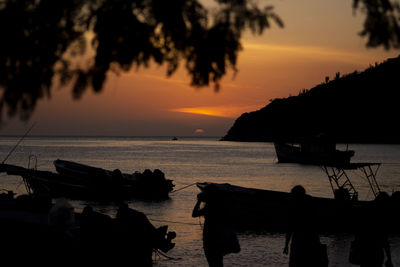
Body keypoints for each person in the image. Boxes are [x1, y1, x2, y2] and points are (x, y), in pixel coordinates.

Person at [192, 184, 240, 267]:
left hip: (210, 239)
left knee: (213, 263)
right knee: (218, 262)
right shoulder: (220, 206)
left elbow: (194, 214)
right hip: (219, 238)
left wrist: (199, 201)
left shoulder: (209, 208)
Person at [283, 185, 327, 267]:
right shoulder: (311, 204)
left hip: (298, 243)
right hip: (313, 241)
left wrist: (286, 245)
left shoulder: (294, 207)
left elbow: (290, 228)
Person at [351, 192, 393, 267]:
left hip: (364, 251)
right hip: (376, 253)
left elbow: (358, 231)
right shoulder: (382, 215)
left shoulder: (365, 208)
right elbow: (384, 239)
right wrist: (389, 258)